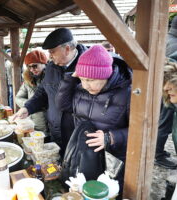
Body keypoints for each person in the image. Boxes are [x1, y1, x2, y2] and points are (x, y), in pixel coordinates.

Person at [56, 45, 132, 198]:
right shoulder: (80, 88)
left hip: (113, 159)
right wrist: (71, 79)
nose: (85, 85)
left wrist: (110, 137)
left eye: (90, 79)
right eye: (82, 79)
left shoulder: (127, 93)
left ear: (106, 74)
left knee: (107, 194)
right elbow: (62, 105)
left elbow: (142, 132)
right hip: (84, 155)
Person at [13, 28, 87, 152]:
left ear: (67, 49)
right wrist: (28, 107)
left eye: (52, 52)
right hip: (55, 132)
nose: (49, 56)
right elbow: (42, 92)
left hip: (76, 134)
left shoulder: (87, 66)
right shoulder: (52, 67)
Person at [155, 15, 177, 169]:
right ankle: (157, 154)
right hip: (170, 90)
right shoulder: (175, 44)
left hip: (163, 90)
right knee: (164, 125)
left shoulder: (165, 39)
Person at [15, 50, 48, 133]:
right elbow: (18, 97)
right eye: (29, 67)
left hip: (49, 123)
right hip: (32, 121)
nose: (32, 69)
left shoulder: (51, 78)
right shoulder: (28, 80)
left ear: (43, 63)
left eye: (35, 66)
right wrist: (30, 106)